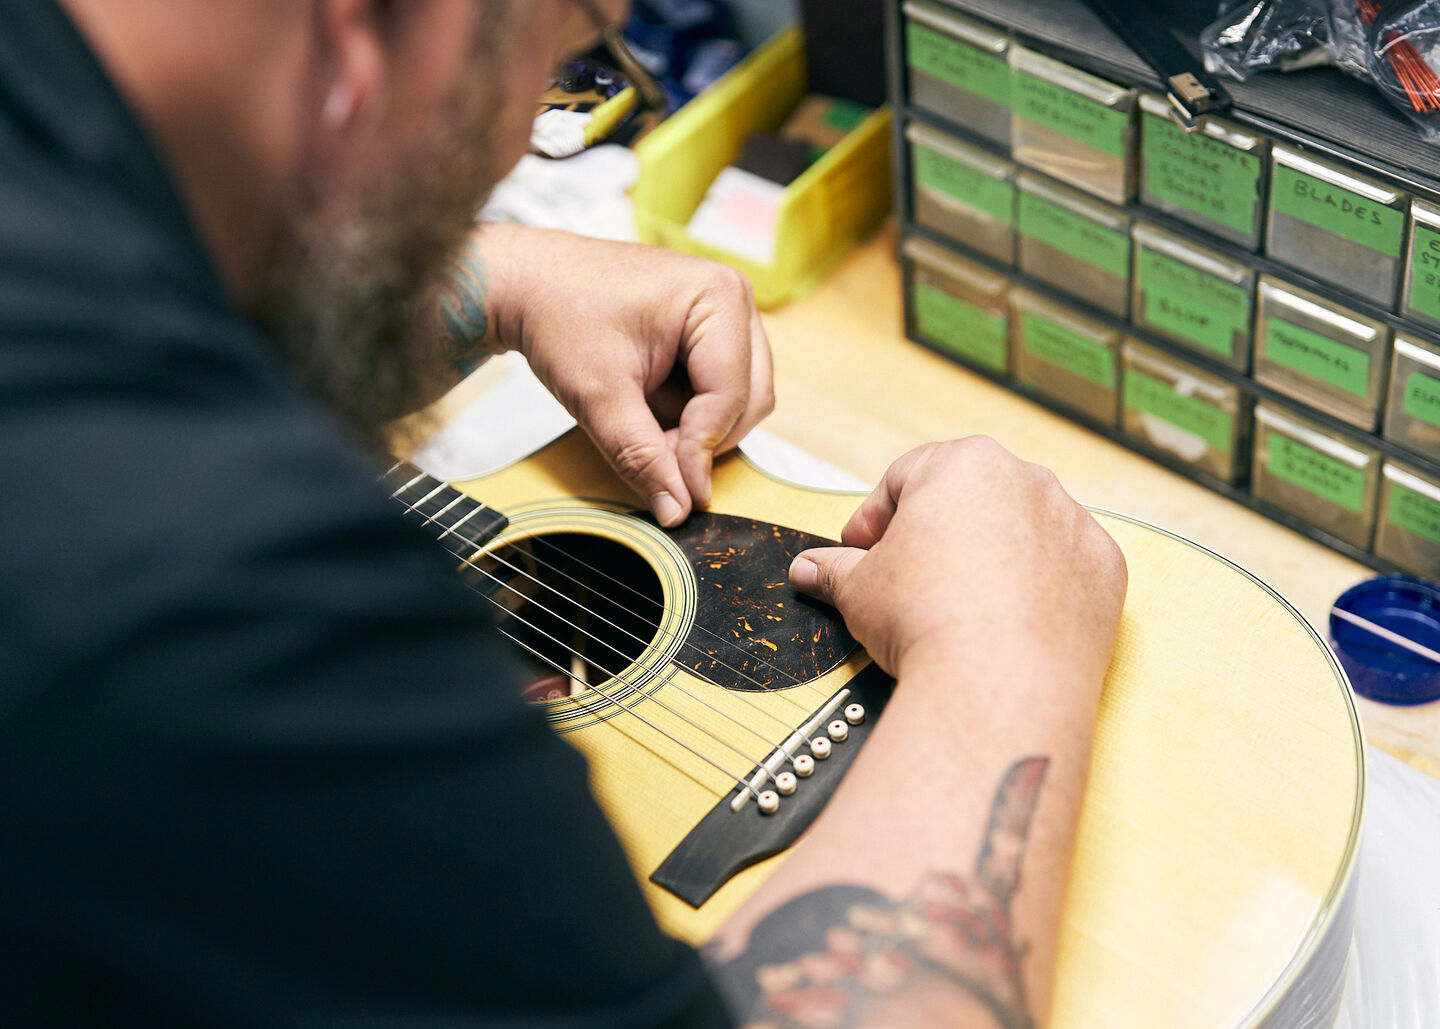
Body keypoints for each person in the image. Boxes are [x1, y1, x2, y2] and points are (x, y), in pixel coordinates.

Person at [0, 0, 1128, 1026]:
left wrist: (485, 283)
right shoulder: (198, 593)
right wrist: (1003, 647)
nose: (512, 152)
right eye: (561, 75)